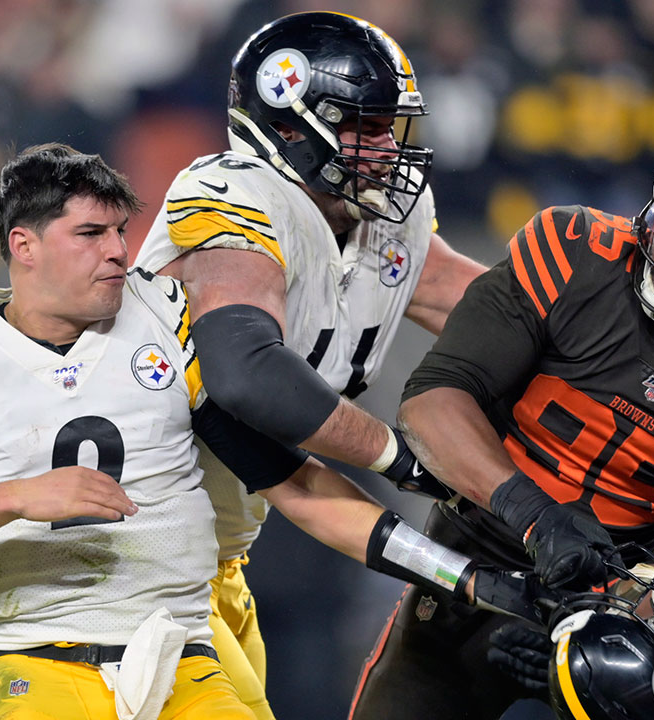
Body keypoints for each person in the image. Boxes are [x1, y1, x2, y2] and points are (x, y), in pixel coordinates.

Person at [0, 142, 527, 720]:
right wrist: (15, 497)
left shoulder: (164, 318)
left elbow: (300, 488)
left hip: (183, 646)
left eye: (119, 232)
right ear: (23, 245)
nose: (117, 253)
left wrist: (463, 577)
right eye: (89, 235)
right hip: (40, 662)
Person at [347, 130, 654, 719]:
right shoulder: (573, 249)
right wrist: (538, 517)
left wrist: (597, 625)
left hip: (610, 598)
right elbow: (432, 401)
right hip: (474, 552)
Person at [133, 12, 488, 715]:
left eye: (390, 127)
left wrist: (612, 325)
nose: (387, 151)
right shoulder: (236, 194)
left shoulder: (380, 220)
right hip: (124, 554)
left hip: (226, 548)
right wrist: (403, 462)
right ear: (288, 126)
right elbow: (245, 374)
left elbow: (493, 314)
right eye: (364, 128)